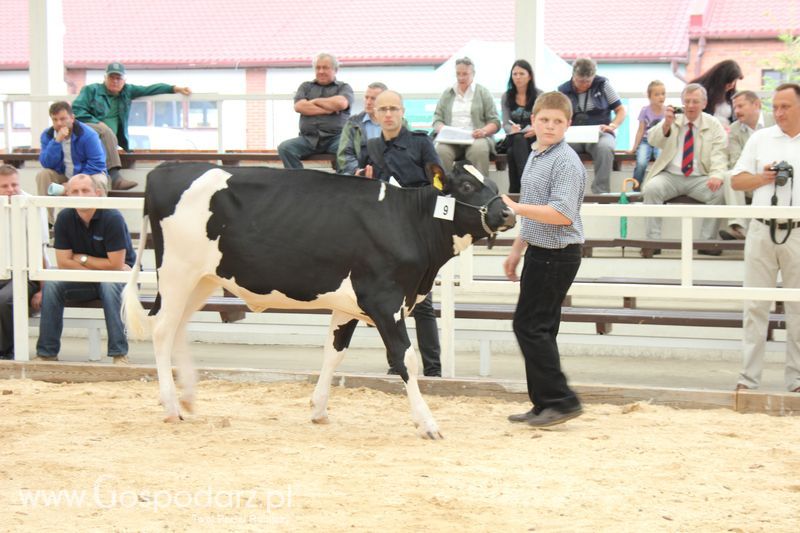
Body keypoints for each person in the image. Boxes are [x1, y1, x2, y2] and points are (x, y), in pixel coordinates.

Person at [501, 92, 585, 427]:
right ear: (533, 121)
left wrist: (517, 209)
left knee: (530, 326)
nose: (550, 126)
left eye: (558, 121)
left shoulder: (565, 161)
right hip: (540, 250)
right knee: (539, 328)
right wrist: (517, 249)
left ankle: (560, 401)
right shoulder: (537, 155)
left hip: (558, 254)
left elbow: (561, 214)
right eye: (544, 120)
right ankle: (544, 403)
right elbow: (537, 207)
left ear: (568, 124)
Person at [357, 90, 443, 376]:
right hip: (383, 233)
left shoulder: (421, 143)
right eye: (383, 109)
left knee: (422, 303)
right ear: (375, 114)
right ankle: (397, 366)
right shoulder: (369, 146)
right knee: (389, 303)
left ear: (403, 111)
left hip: (419, 230)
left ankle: (432, 370)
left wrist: (440, 229)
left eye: (394, 108)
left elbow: (440, 186)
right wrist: (362, 183)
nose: (389, 114)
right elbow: (366, 193)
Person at [731, 83, 800, 393]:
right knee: (755, 306)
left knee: (798, 308)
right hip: (761, 228)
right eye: (776, 106)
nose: (780, 112)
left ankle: (796, 379)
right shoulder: (760, 139)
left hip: (797, 230)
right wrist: (764, 177)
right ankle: (748, 378)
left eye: (786, 106)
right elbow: (737, 180)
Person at [34, 173, 135, 364]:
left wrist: (81, 258)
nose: (80, 195)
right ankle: (46, 354)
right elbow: (63, 262)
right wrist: (98, 268)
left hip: (121, 282)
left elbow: (115, 265)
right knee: (53, 283)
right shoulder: (64, 217)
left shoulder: (112, 217)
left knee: (109, 284)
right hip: (87, 280)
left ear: (97, 193)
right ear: (68, 195)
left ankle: (119, 354)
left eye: (85, 190)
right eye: (75, 191)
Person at [72, 62, 192, 191]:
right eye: (112, 77)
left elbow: (150, 89)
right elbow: (77, 109)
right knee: (105, 130)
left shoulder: (127, 91)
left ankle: (107, 179)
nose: (115, 81)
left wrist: (174, 88)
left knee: (108, 135)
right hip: (89, 131)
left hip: (109, 139)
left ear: (124, 80)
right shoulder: (91, 90)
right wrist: (96, 122)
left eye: (119, 78)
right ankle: (115, 177)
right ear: (105, 78)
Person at [640, 83, 727, 258]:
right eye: (687, 101)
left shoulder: (714, 124)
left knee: (721, 191)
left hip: (699, 177)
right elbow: (652, 139)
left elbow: (720, 153)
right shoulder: (673, 120)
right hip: (670, 176)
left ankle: (707, 242)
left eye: (695, 101)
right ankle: (653, 242)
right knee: (651, 188)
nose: (691, 105)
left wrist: (717, 175)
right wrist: (666, 124)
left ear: (704, 103)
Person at [557, 57, 626, 194]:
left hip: (600, 132)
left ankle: (601, 192)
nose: (584, 85)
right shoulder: (563, 90)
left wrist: (612, 126)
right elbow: (558, 115)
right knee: (560, 149)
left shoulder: (603, 85)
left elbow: (621, 110)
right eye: (580, 81)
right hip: (573, 134)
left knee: (605, 148)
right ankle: (567, 192)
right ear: (573, 76)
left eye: (588, 81)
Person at [0, 165, 48, 360]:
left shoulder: (32, 205)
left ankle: (5, 352)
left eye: (14, 184)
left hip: (25, 274)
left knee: (4, 300)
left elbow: (41, 249)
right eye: (5, 186)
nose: (11, 190)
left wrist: (43, 289)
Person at [35, 101, 108, 225]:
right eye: (55, 120)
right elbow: (46, 163)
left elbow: (97, 164)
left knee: (99, 180)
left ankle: (102, 222)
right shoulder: (47, 135)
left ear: (72, 118)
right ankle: (48, 223)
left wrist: (72, 183)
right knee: (43, 175)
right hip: (62, 175)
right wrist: (57, 141)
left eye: (63, 119)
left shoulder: (88, 134)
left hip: (88, 174)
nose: (59, 123)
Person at [278, 53, 354, 169]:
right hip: (308, 139)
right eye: (318, 68)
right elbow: (299, 107)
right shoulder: (306, 87)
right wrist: (329, 109)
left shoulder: (343, 88)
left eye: (325, 67)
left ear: (335, 70)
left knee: (346, 149)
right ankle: (300, 183)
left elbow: (341, 103)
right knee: (285, 148)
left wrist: (314, 101)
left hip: (335, 138)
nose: (321, 71)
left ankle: (342, 184)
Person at [432, 57, 500, 177]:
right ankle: (443, 191)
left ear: (473, 74)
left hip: (475, 137)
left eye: (465, 74)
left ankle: (480, 190)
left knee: (478, 150)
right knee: (440, 151)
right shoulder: (447, 94)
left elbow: (494, 121)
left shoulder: (483, 93)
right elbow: (437, 119)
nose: (461, 77)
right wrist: (442, 128)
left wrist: (483, 131)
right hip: (451, 139)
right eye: (458, 74)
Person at [720, 90, 774, 241]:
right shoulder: (735, 129)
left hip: (774, 176)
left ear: (756, 104)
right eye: (735, 107)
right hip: (750, 181)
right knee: (730, 175)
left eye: (740, 106)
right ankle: (738, 228)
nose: (736, 111)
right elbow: (736, 163)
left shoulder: (774, 121)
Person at [501, 59, 542, 193]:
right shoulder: (507, 96)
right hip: (514, 136)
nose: (517, 77)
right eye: (515, 74)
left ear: (529, 76)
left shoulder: (539, 95)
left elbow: (543, 119)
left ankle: (515, 191)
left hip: (534, 137)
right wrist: (511, 129)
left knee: (512, 152)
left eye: (521, 74)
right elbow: (506, 123)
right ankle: (527, 187)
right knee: (518, 139)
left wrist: (536, 129)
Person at [336, 82, 387, 174]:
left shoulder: (398, 124)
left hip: (389, 177)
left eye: (373, 99)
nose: (368, 102)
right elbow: (345, 155)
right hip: (358, 177)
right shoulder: (352, 123)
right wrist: (359, 172)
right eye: (366, 97)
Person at [629, 81, 665, 191]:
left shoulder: (667, 111)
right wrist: (634, 147)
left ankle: (659, 188)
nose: (661, 97)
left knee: (661, 161)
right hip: (646, 141)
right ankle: (636, 189)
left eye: (663, 93)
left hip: (660, 141)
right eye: (657, 94)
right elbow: (640, 130)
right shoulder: (645, 110)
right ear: (649, 97)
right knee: (641, 162)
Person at [689, 59, 743, 128]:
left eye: (735, 82)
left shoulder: (732, 94)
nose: (732, 85)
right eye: (729, 82)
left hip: (727, 133)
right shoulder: (698, 89)